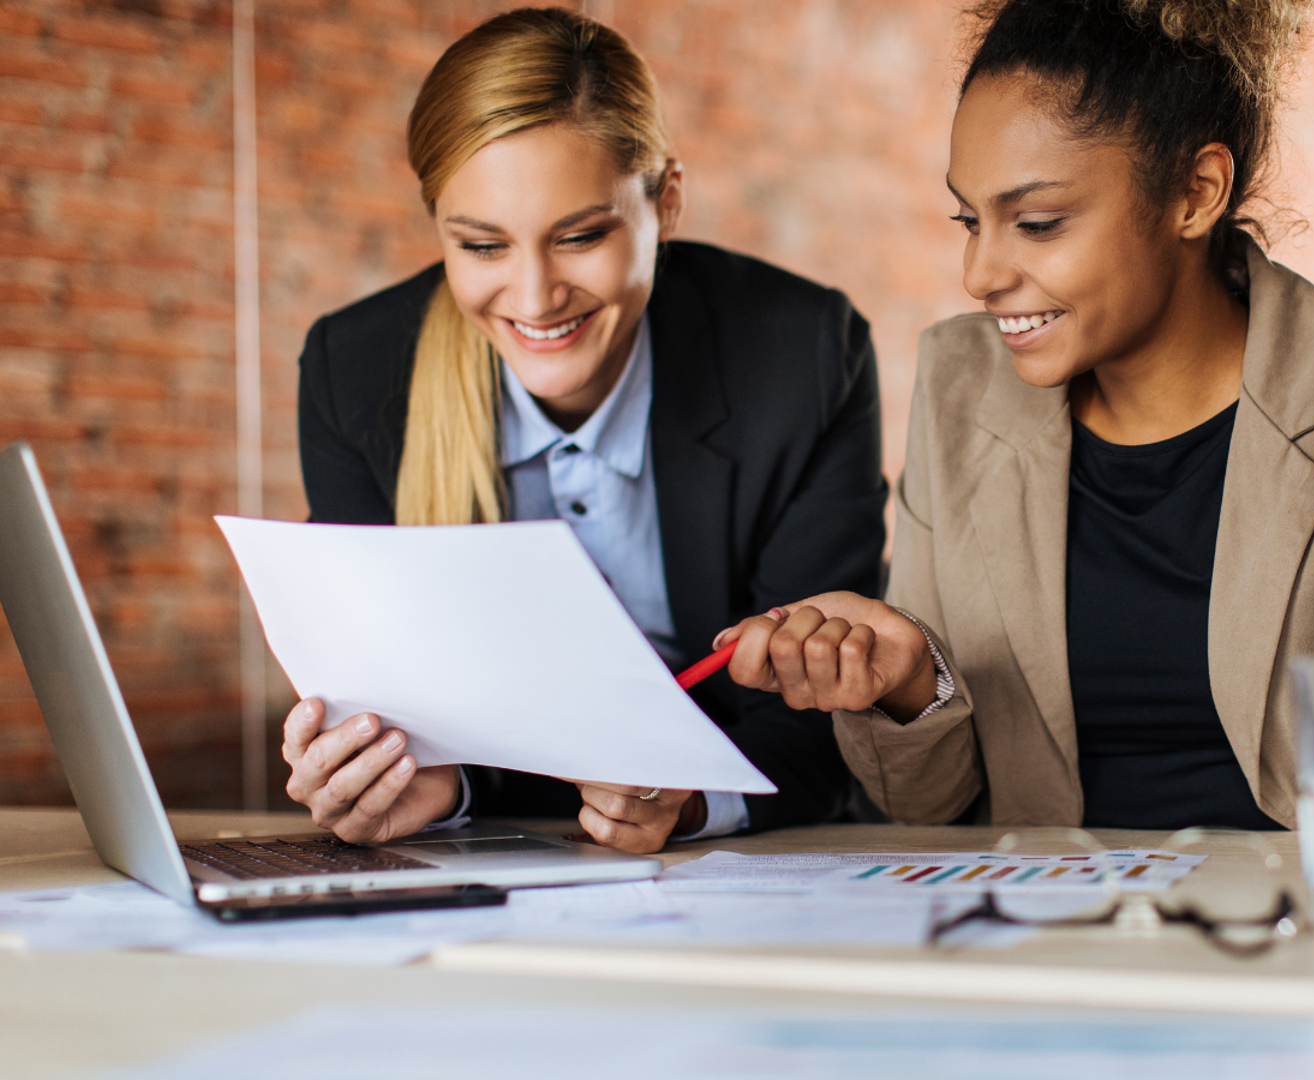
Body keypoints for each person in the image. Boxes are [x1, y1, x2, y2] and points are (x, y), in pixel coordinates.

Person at [715, 0, 1314, 830]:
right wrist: (907, 687)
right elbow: (924, 808)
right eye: (972, 220)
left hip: (1304, 937)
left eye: (1037, 224)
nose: (980, 272)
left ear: (1195, 192)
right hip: (1053, 935)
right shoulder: (962, 383)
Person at [281, 9, 886, 852]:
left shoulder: (803, 357)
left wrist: (693, 802)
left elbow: (827, 716)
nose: (532, 299)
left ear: (666, 203)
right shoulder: (355, 372)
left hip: (737, 861)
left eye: (580, 236)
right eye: (482, 246)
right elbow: (394, 708)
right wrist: (408, 781)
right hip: (499, 861)